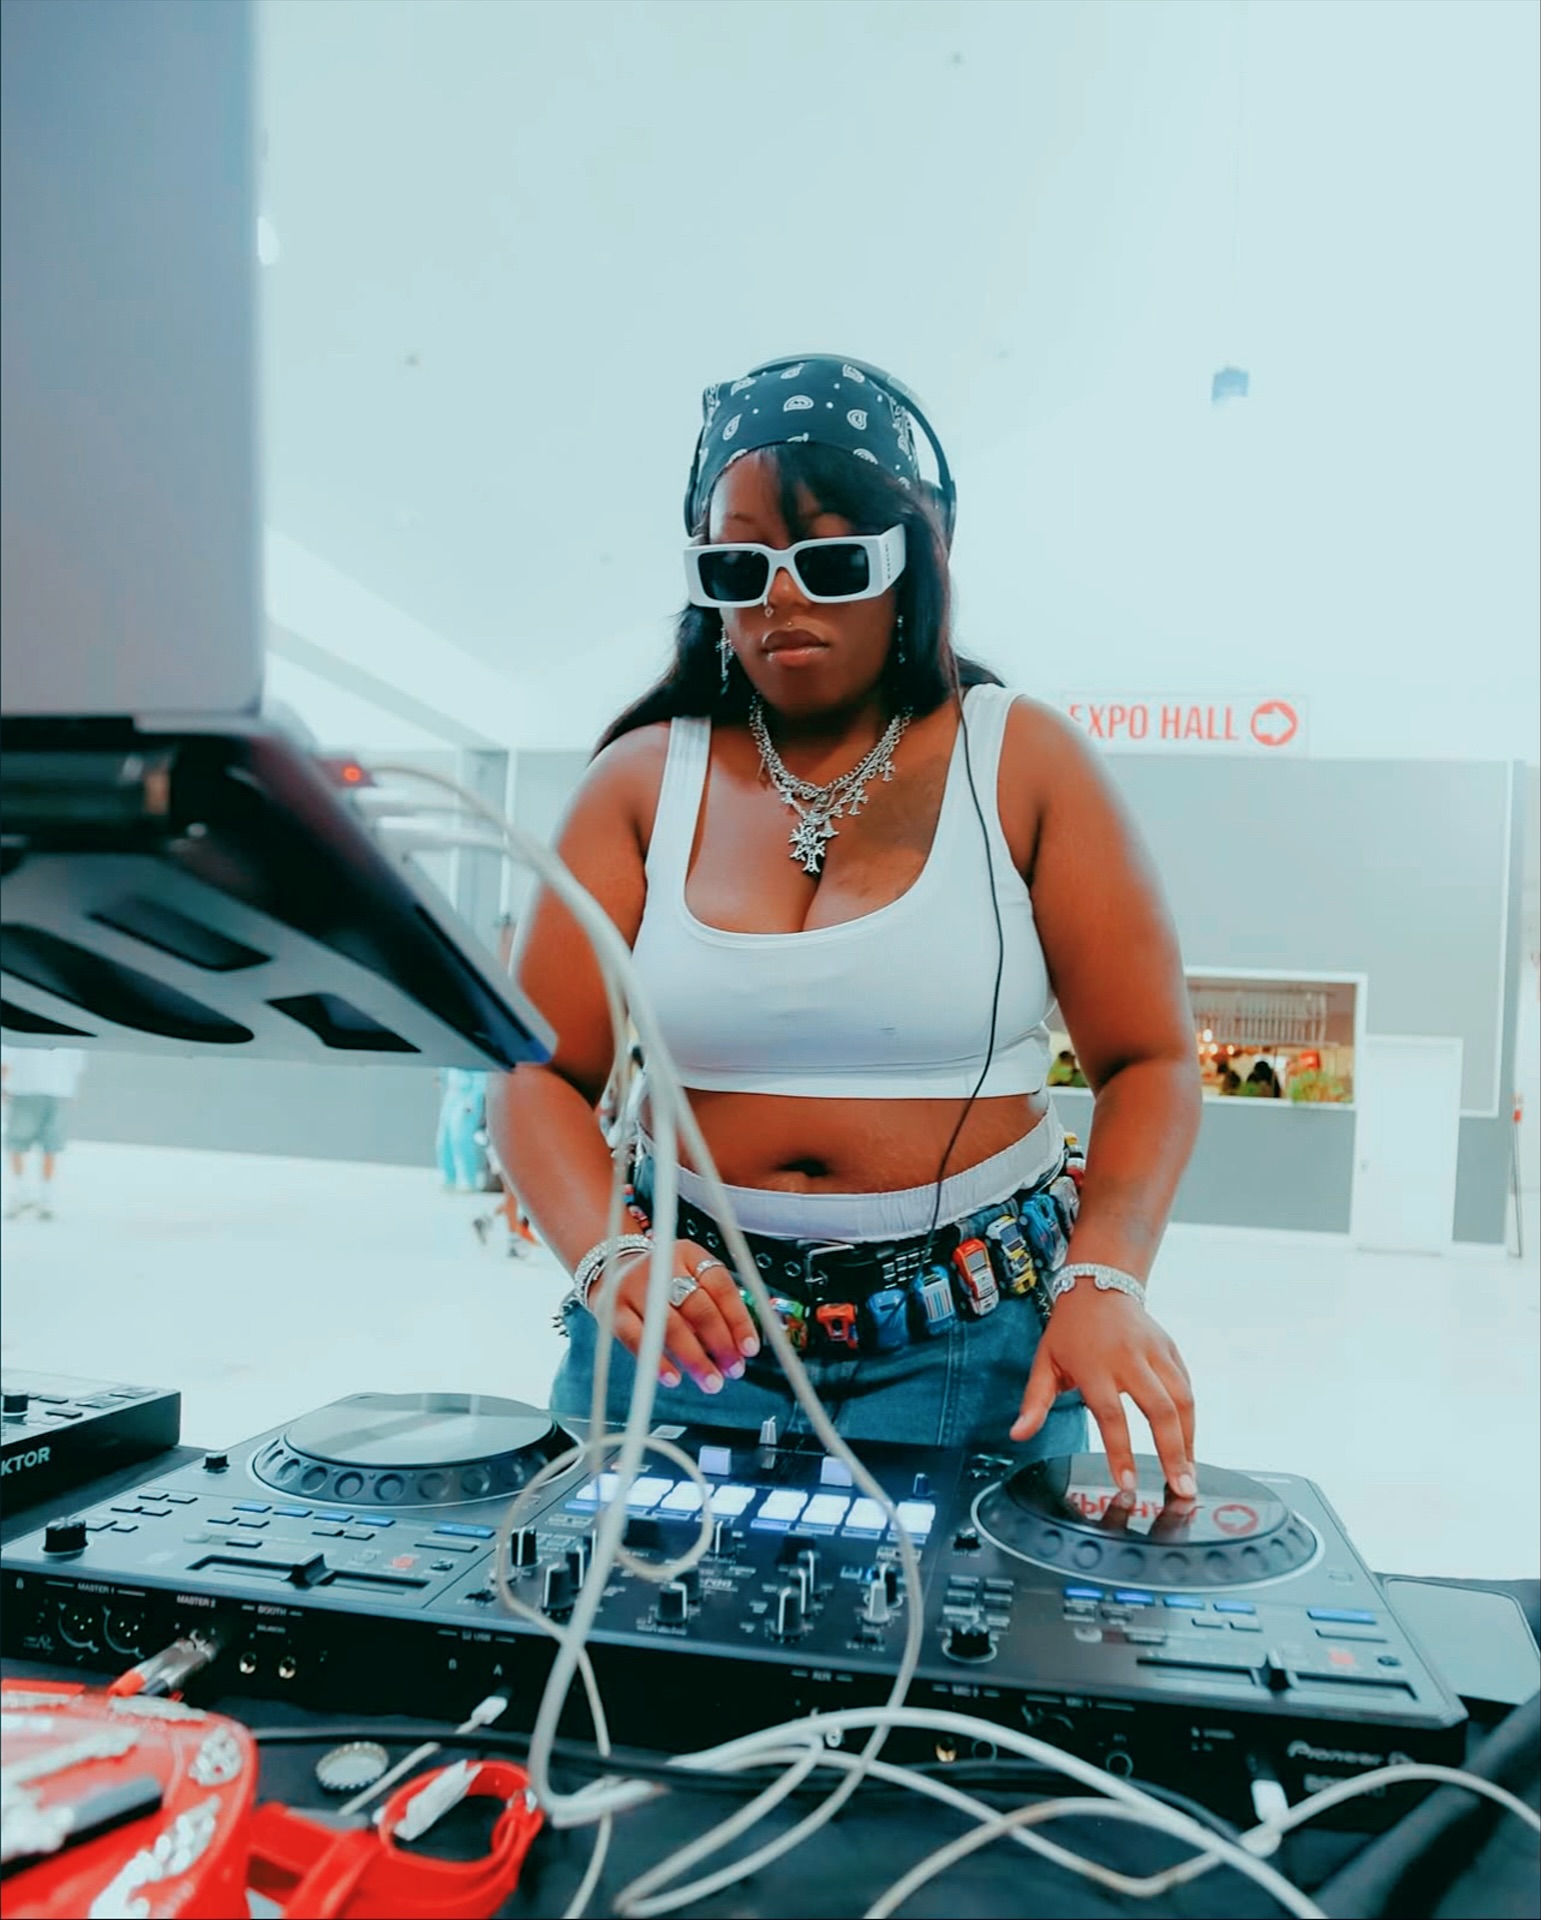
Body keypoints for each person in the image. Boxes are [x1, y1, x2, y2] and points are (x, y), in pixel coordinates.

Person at [496, 355, 1201, 1497]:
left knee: (942, 1669)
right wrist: (608, 1254)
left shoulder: (1019, 761)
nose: (779, 598)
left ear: (911, 564)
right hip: (681, 1334)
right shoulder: (636, 782)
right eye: (735, 563)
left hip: (968, 1345)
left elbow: (1151, 1062)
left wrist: (1103, 1280)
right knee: (619, 1660)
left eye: (829, 561)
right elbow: (535, 1075)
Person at [1, 1044, 88, 1220]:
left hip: (25, 1088)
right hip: (59, 1090)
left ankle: (22, 1191)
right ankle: (45, 1197)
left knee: (17, 1143)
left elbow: (7, 1058)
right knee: (50, 1146)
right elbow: (77, 1064)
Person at [435, 1066, 488, 1192]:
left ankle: (467, 1180)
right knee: (443, 1140)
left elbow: (481, 1079)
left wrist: (472, 1101)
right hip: (452, 1093)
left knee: (460, 1138)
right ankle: (449, 1177)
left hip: (467, 1095)